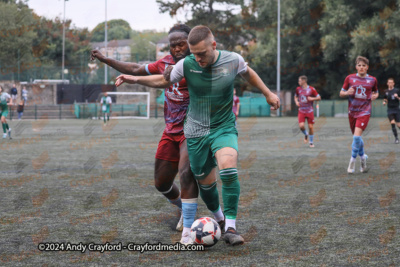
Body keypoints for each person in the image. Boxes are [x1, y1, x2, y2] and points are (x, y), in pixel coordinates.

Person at [115, 25, 280, 246]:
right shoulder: (186, 64)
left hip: (223, 127)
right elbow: (164, 81)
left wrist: (268, 93)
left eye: (202, 53)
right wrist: (134, 79)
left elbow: (248, 73)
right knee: (206, 184)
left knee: (229, 168)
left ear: (214, 45)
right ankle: (219, 218)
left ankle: (230, 227)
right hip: (195, 131)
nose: (198, 58)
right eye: (194, 54)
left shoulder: (233, 60)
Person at [91, 24, 199, 244]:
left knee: (186, 173)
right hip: (171, 130)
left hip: (193, 128)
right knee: (161, 183)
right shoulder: (165, 64)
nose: (177, 49)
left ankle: (190, 227)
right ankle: (183, 208)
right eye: (173, 45)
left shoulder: (198, 63)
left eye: (181, 44)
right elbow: (135, 68)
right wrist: (105, 59)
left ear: (190, 43)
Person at [340, 56, 379, 173]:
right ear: (356, 67)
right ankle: (363, 158)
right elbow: (341, 93)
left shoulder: (373, 80)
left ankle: (352, 161)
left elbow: (376, 92)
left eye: (364, 65)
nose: (361, 67)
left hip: (365, 111)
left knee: (356, 137)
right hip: (352, 112)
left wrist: (375, 96)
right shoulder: (349, 78)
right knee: (357, 138)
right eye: (359, 65)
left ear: (367, 67)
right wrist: (347, 92)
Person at [294, 75, 321, 148]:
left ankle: (311, 142)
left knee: (310, 127)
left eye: (299, 80)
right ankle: (306, 134)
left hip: (309, 111)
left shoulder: (311, 89)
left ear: (304, 81)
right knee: (301, 126)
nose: (298, 82)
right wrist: (296, 102)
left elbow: (319, 97)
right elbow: (295, 96)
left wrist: (312, 99)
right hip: (301, 110)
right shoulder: (298, 89)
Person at [383, 78, 400, 144]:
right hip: (390, 109)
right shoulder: (386, 91)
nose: (390, 83)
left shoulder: (397, 90)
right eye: (389, 82)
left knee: (398, 125)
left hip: (397, 109)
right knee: (392, 123)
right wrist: (384, 102)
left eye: (391, 82)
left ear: (393, 83)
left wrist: (397, 97)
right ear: (387, 83)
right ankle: (396, 138)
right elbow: (385, 99)